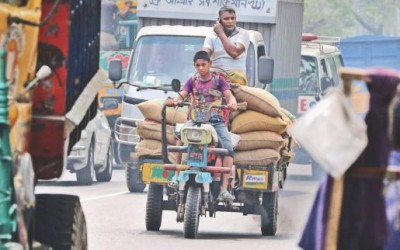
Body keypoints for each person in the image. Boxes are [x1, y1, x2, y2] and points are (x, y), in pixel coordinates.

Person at [167, 50, 238, 203]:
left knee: (228, 149)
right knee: (180, 137)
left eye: (203, 65)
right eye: (197, 65)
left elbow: (228, 95)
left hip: (216, 120)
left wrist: (232, 102)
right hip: (194, 119)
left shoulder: (219, 81)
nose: (200, 68)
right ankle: (176, 176)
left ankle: (223, 189)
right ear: (194, 66)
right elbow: (182, 94)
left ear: (210, 64)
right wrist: (175, 100)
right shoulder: (192, 81)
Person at [202, 6, 250, 81]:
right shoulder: (212, 35)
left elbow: (234, 52)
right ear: (219, 21)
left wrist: (220, 33)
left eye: (232, 18)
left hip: (236, 80)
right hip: (215, 79)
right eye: (226, 19)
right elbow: (204, 56)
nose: (230, 21)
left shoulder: (243, 34)